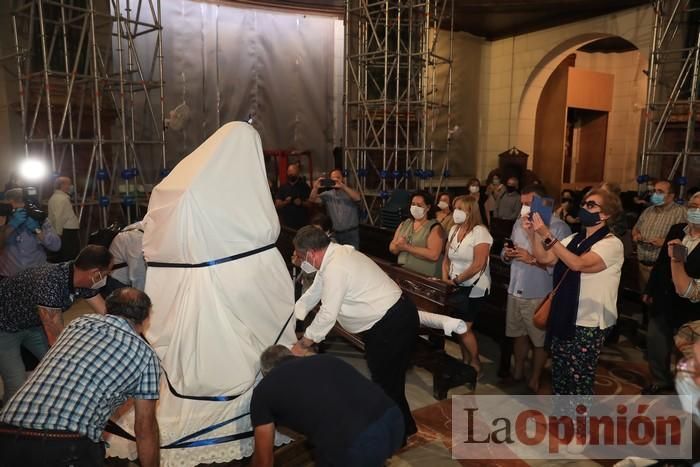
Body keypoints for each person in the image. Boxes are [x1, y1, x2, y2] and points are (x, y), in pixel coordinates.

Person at [0, 287, 160, 467]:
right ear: (145, 319)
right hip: (66, 444)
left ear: (107, 309)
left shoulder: (79, 323)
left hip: (7, 430)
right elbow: (145, 429)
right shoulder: (146, 356)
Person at [292, 226, 419, 438]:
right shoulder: (332, 257)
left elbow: (328, 314)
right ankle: (405, 427)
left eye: (300, 256)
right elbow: (316, 290)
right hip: (388, 320)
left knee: (386, 384)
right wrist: (296, 314)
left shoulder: (336, 267)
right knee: (389, 382)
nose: (300, 260)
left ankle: (396, 436)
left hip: (391, 323)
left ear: (312, 253)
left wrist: (304, 343)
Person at [528, 189, 624, 396]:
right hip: (564, 315)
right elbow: (546, 259)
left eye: (591, 205)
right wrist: (535, 233)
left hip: (589, 320)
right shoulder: (573, 239)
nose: (584, 208)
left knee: (579, 378)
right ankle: (563, 419)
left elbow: (577, 264)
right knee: (560, 372)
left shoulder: (611, 244)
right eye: (584, 204)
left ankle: (578, 424)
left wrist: (547, 234)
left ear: (605, 214)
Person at [250, 346, 404, 467]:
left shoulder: (262, 391)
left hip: (355, 444)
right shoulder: (326, 359)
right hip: (393, 420)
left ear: (266, 373)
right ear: (292, 355)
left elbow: (264, 461)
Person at [0, 245, 110, 401]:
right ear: (95, 273)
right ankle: (8, 421)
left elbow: (105, 312)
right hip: (4, 327)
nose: (107, 277)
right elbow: (56, 339)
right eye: (106, 273)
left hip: (33, 324)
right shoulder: (50, 283)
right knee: (17, 384)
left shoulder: (81, 277)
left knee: (61, 370)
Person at [502, 185, 571, 392]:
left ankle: (535, 377)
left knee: (539, 339)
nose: (524, 208)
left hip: (539, 290)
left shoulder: (558, 227)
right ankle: (518, 371)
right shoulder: (518, 223)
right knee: (518, 334)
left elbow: (559, 265)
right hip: (516, 286)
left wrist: (531, 259)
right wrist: (508, 254)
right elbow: (508, 253)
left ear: (543, 203)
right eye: (522, 204)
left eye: (528, 204)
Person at [641, 192, 700, 395]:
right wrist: (650, 289)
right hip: (665, 297)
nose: (695, 211)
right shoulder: (677, 230)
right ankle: (660, 379)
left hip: (692, 307)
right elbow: (661, 263)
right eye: (692, 206)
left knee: (686, 352)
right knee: (657, 341)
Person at [441, 195, 492, 375]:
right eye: (455, 208)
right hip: (455, 284)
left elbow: (478, 264)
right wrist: (445, 279)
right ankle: (465, 361)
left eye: (461, 209)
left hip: (475, 286)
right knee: (458, 325)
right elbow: (446, 258)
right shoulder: (454, 229)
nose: (456, 212)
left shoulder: (480, 232)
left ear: (470, 211)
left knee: (464, 327)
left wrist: (456, 280)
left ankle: (476, 362)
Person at [633, 180, 686, 293]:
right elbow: (636, 228)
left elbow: (685, 243)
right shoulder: (648, 211)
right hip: (642, 264)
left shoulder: (680, 212)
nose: (655, 195)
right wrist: (636, 234)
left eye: (660, 192)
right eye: (654, 191)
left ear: (671, 196)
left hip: (662, 268)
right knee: (645, 298)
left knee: (658, 303)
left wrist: (664, 242)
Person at [0, 188, 60, 279]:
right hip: (9, 275)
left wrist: (37, 230)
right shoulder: (3, 219)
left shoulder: (38, 218)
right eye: (14, 209)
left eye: (23, 209)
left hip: (37, 274)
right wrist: (10, 226)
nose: (18, 212)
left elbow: (56, 246)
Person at [389, 190, 444, 278]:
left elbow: (434, 255)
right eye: (413, 204)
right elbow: (392, 247)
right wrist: (398, 247)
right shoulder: (405, 223)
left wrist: (406, 247)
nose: (415, 207)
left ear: (428, 207)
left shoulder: (435, 227)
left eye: (419, 205)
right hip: (403, 272)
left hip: (424, 277)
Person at [309, 169, 361, 249]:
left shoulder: (349, 192)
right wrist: (315, 188)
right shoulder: (328, 194)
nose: (335, 180)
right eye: (333, 178)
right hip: (335, 234)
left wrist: (342, 186)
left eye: (338, 178)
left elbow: (358, 198)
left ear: (342, 179)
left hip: (351, 233)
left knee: (351, 258)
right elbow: (312, 199)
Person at [105, 221, 146, 295]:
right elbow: (137, 275)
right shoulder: (136, 237)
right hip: (118, 283)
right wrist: (142, 300)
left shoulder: (139, 228)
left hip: (122, 281)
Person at [48, 176, 80, 262]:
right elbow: (59, 217)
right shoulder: (61, 199)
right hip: (67, 231)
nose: (71, 186)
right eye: (69, 184)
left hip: (65, 230)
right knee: (69, 256)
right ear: (62, 185)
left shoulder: (58, 197)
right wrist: (58, 234)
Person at [274, 162, 311, 230]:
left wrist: (301, 203)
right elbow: (277, 205)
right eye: (289, 172)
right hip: (287, 224)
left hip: (302, 223)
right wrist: (286, 202)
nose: (291, 174)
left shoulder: (304, 187)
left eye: (293, 172)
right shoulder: (283, 187)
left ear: (298, 173)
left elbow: (310, 204)